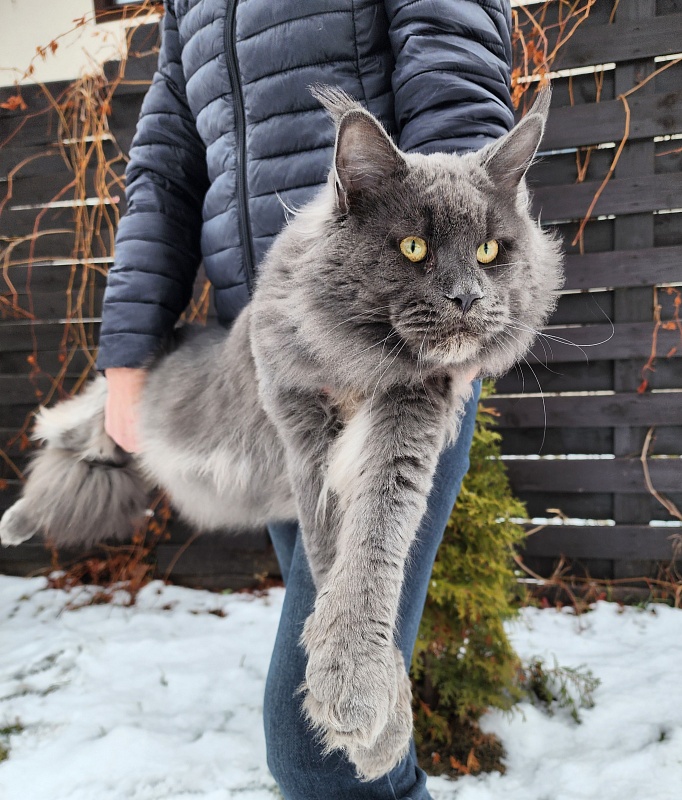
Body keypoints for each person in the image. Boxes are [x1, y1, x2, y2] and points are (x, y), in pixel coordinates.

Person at [97, 1, 514, 797]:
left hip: (394, 371)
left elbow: (458, 97)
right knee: (359, 744)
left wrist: (460, 325)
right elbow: (168, 165)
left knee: (320, 747)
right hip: (274, 377)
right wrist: (127, 352)